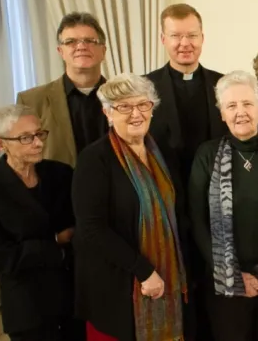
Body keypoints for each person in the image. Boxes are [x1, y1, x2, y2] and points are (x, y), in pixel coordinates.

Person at [72, 73, 190, 341]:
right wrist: (144, 271)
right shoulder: (94, 159)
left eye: (143, 104)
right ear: (107, 113)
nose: (135, 113)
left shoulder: (161, 152)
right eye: (123, 106)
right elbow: (92, 229)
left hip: (168, 275)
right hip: (118, 283)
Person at [188, 70, 258, 340]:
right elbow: (197, 219)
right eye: (231, 106)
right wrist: (237, 277)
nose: (241, 112)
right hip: (225, 285)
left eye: (247, 104)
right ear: (222, 113)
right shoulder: (207, 154)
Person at [0, 105, 82, 341]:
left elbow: (80, 226)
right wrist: (57, 242)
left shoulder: (61, 173)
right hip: (27, 304)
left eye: (39, 134)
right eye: (26, 138)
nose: (38, 143)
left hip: (74, 296)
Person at [146, 3, 226, 185]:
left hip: (216, 187)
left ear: (202, 38)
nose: (185, 43)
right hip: (164, 185)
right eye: (175, 36)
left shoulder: (224, 85)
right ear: (163, 39)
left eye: (192, 35)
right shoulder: (144, 87)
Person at [17, 12, 108, 166]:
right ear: (61, 52)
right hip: (57, 189)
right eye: (71, 41)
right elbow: (22, 160)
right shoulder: (31, 101)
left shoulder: (126, 97)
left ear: (103, 51)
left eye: (89, 41)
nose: (81, 46)